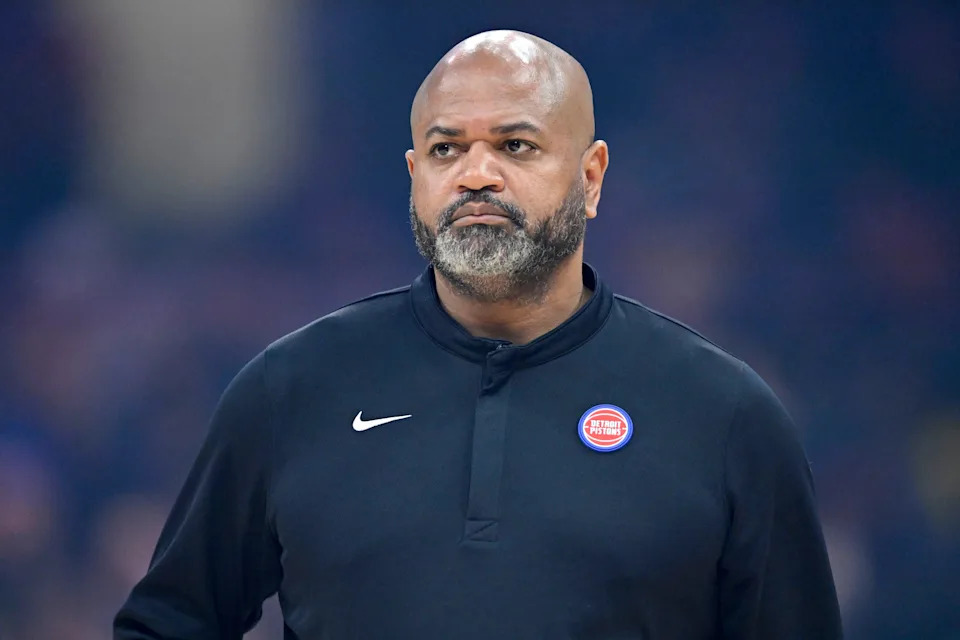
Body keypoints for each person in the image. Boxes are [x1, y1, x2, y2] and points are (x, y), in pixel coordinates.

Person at [115, 30, 842, 639]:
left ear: (591, 177)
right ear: (413, 175)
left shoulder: (723, 415)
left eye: (516, 145)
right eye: (445, 150)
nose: (475, 175)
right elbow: (168, 623)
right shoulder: (292, 389)